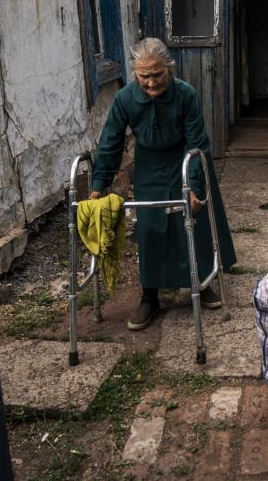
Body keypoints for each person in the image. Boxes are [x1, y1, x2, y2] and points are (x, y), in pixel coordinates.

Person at [90, 37, 236, 331]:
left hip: (185, 157)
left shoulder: (186, 94)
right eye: (145, 76)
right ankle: (150, 295)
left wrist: (196, 184)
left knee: (193, 223)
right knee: (152, 226)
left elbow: (197, 141)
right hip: (150, 166)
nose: (152, 82)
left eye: (157, 74)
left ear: (169, 68)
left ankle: (201, 280)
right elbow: (110, 142)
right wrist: (99, 184)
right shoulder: (125, 98)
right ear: (136, 74)